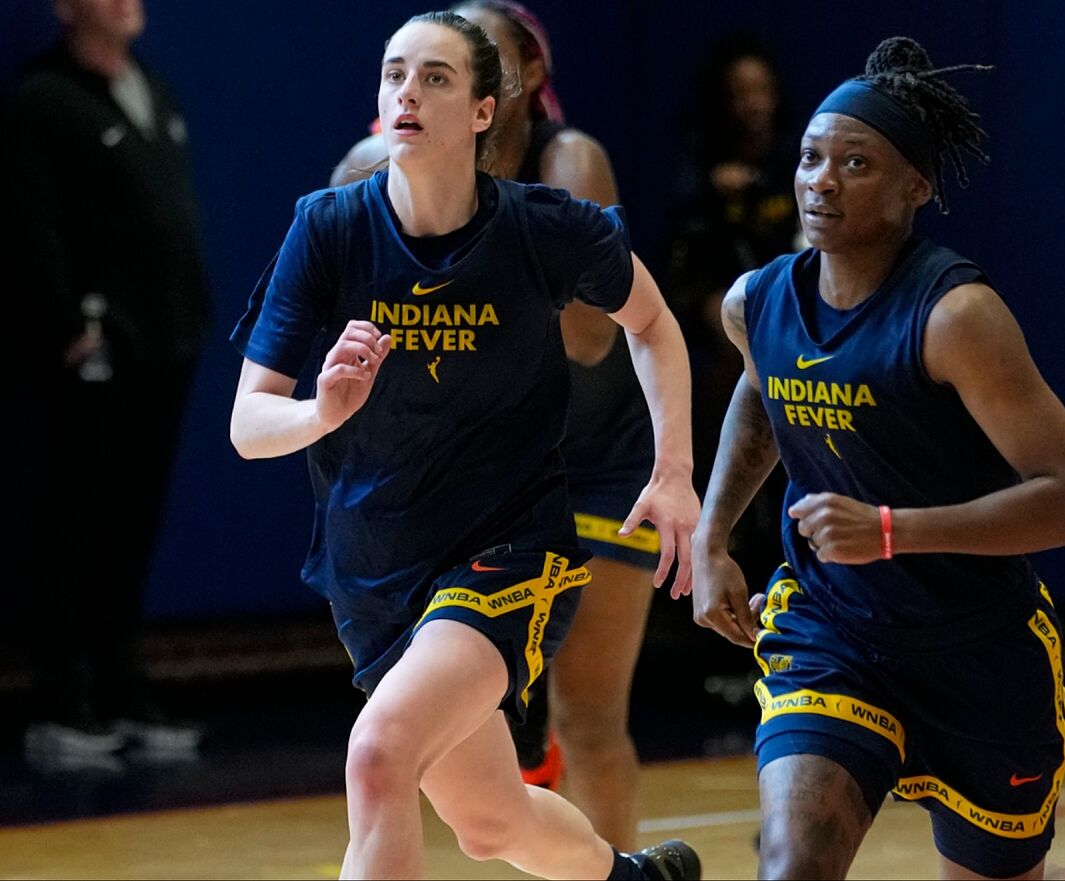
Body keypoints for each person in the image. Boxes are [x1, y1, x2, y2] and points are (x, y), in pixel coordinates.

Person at [230, 12, 701, 880]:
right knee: (491, 821)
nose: (407, 92)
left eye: (436, 77)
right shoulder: (329, 226)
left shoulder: (545, 224)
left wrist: (674, 470)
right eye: (394, 74)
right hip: (372, 562)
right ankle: (631, 876)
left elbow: (653, 322)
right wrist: (322, 412)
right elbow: (248, 424)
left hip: (508, 548)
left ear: (486, 109)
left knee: (377, 754)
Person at [690, 37, 1065, 881]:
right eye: (809, 158)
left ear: (917, 188)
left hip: (977, 647)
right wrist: (712, 538)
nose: (821, 180)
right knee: (792, 867)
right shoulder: (756, 301)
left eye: (856, 162)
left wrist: (890, 529)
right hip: (830, 626)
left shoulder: (957, 316)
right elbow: (762, 396)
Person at [329, 0, 658, 848]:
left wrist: (473, 266)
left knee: (586, 714)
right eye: (428, 67)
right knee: (459, 792)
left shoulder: (567, 161)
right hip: (461, 482)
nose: (450, 79)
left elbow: (587, 340)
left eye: (481, 63)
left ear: (518, 83)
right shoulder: (368, 173)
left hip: (594, 460)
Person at [7, 0, 207, 767]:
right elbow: (30, 224)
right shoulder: (43, 101)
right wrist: (71, 324)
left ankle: (124, 687)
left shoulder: (151, 88)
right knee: (70, 519)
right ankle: (63, 701)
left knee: (132, 524)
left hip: (167, 346)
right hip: (94, 354)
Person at [665, 34, 799, 598]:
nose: (753, 103)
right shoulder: (696, 173)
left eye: (761, 90)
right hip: (722, 338)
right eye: (740, 92)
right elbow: (679, 274)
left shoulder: (797, 164)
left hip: (793, 328)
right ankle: (720, 547)